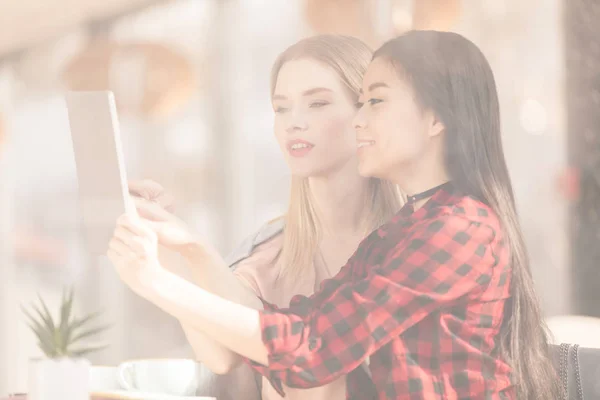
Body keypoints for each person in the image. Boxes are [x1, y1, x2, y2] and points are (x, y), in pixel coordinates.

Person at [110, 31, 561, 399]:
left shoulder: (459, 228)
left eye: (375, 102)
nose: (360, 121)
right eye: (281, 107)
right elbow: (301, 329)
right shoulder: (408, 228)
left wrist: (155, 282)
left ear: (436, 118)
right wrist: (185, 246)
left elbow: (311, 350)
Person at [128, 34, 401, 400]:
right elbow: (219, 356)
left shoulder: (419, 242)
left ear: (367, 115)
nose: (294, 123)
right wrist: (172, 247)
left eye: (317, 103)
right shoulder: (266, 253)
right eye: (281, 108)